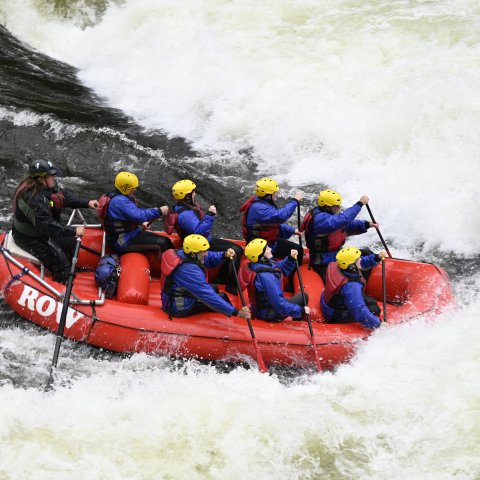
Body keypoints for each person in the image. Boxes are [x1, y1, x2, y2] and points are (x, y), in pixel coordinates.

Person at [11, 159, 99, 283]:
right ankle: (61, 281)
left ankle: (66, 271)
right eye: (51, 175)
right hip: (29, 238)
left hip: (42, 230)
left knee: (71, 242)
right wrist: (73, 230)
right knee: (62, 265)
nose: (54, 177)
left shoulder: (47, 185)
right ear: (41, 178)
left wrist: (87, 202)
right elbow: (48, 227)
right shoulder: (32, 198)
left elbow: (64, 195)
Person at [164, 179, 243, 294]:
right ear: (187, 196)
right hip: (198, 245)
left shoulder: (186, 207)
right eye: (193, 192)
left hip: (202, 241)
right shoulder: (185, 214)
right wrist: (210, 215)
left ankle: (221, 278)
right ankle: (231, 286)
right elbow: (199, 232)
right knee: (236, 250)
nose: (195, 194)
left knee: (236, 249)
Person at [160, 234, 251, 319]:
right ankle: (231, 321)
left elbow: (209, 257)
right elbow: (207, 295)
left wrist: (224, 255)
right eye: (203, 251)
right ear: (193, 253)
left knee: (214, 288)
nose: (206, 253)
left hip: (177, 297)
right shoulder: (188, 271)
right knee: (222, 296)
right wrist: (236, 312)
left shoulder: (183, 253)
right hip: (180, 307)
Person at [301, 189, 379, 281]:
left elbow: (346, 225)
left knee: (367, 253)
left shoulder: (331, 215)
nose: (339, 207)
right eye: (336, 206)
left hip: (337, 255)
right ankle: (354, 286)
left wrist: (367, 224)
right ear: (326, 207)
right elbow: (343, 219)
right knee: (341, 282)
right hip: (323, 262)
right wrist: (360, 204)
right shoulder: (320, 220)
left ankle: (364, 285)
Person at [102, 171, 173, 257]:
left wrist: (142, 223)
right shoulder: (120, 201)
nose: (135, 189)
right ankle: (173, 268)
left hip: (128, 234)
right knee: (163, 242)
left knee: (166, 240)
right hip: (122, 241)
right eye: (133, 188)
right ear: (126, 188)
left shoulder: (116, 195)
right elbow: (139, 215)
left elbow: (130, 213)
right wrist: (159, 211)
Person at [238, 238, 310, 322]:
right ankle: (296, 323)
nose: (270, 249)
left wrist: (290, 258)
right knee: (303, 297)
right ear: (261, 255)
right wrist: (301, 310)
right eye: (267, 249)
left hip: (260, 308)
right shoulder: (267, 276)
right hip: (269, 313)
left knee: (290, 300)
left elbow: (276, 267)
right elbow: (279, 304)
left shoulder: (255, 265)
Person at [239, 177, 304, 263]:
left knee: (298, 248)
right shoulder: (259, 209)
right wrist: (295, 201)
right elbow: (280, 216)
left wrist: (292, 230)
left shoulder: (262, 203)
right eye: (274, 192)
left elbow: (271, 224)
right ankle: (290, 272)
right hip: (260, 247)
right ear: (267, 195)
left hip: (269, 242)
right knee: (297, 251)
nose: (277, 194)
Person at [320, 246, 385, 329]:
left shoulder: (339, 265)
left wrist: (376, 257)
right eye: (358, 259)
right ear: (352, 266)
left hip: (330, 304)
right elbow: (359, 310)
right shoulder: (352, 286)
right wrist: (378, 324)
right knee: (374, 308)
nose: (360, 259)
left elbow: (361, 262)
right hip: (335, 314)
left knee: (367, 300)